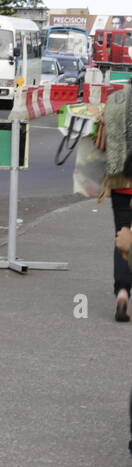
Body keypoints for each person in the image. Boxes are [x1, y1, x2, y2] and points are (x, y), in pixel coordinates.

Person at [95, 84, 132, 321]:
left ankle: (122, 292)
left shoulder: (115, 100)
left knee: (123, 235)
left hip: (120, 178)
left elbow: (103, 139)